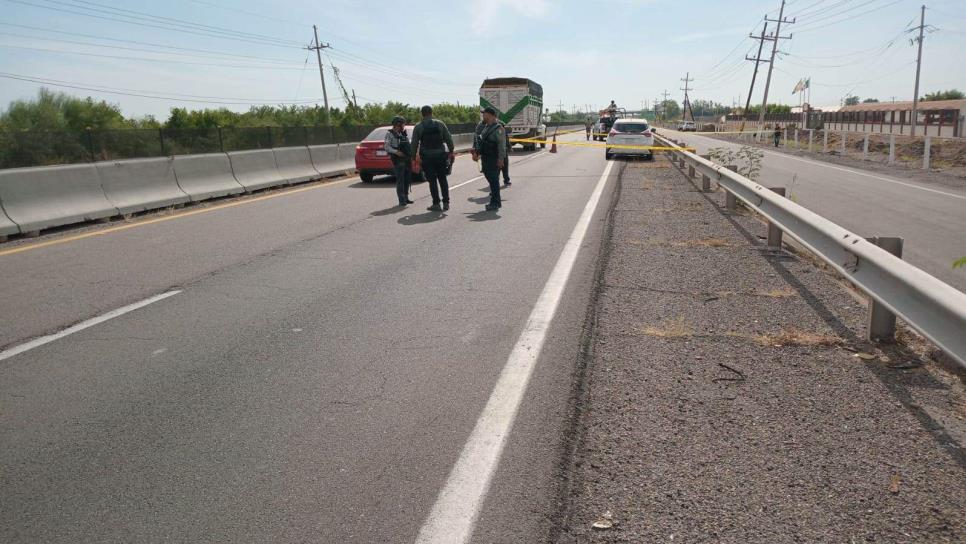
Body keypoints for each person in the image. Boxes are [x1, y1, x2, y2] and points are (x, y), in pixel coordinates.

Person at [411, 105, 456, 212]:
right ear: (431, 113)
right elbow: (449, 139)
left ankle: (436, 203)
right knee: (443, 179)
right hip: (440, 157)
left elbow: (414, 144)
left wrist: (413, 158)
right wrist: (451, 151)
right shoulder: (440, 124)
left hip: (427, 158)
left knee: (432, 181)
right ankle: (446, 202)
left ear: (422, 114)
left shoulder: (419, 127)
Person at [472, 106, 506, 211]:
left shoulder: (498, 128)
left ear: (490, 115)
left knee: (494, 181)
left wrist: (501, 159)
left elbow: (501, 145)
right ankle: (495, 201)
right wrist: (476, 152)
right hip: (486, 158)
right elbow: (481, 141)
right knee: (491, 180)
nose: (483, 115)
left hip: (493, 158)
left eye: (484, 113)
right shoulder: (486, 127)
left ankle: (495, 202)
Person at [384, 116, 414, 206]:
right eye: (403, 124)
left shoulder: (403, 133)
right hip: (398, 159)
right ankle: (401, 199)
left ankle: (406, 197)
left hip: (407, 159)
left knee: (407, 178)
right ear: (398, 124)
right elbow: (386, 147)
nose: (404, 126)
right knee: (400, 179)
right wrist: (396, 152)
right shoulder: (390, 134)